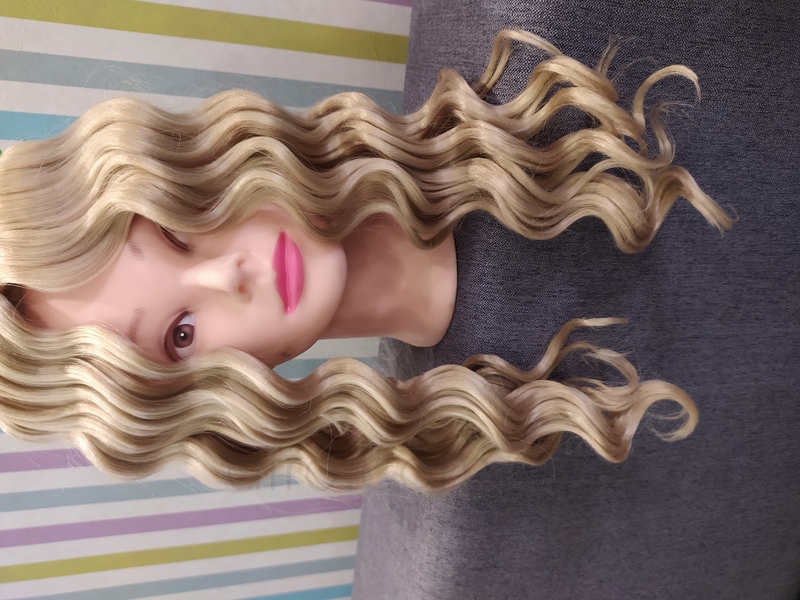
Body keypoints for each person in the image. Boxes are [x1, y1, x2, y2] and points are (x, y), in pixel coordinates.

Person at [0, 30, 731, 492]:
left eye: (178, 230)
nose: (230, 276)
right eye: (180, 334)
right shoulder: (492, 442)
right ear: (209, 402)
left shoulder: (545, 91)